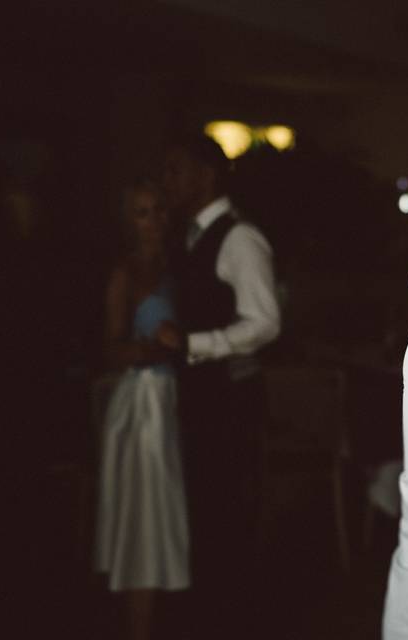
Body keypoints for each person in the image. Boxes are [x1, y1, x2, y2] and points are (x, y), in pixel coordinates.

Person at [158, 134, 280, 636]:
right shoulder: (186, 236)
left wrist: (193, 342)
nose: (169, 181)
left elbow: (265, 322)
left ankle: (233, 619)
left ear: (206, 175)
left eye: (175, 169)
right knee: (203, 510)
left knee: (228, 515)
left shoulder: (239, 238)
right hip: (198, 395)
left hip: (229, 398)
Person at [94, 180, 189, 640]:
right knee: (144, 524)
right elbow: (111, 350)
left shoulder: (175, 267)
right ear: (128, 221)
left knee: (167, 518)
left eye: (158, 211)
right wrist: (158, 345)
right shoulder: (125, 273)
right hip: (142, 406)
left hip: (171, 400)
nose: (153, 221)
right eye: (142, 213)